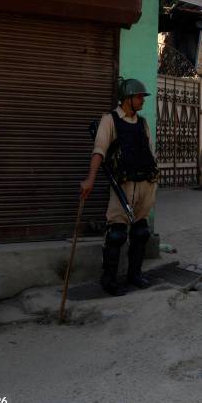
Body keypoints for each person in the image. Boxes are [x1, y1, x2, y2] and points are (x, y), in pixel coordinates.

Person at [80, 78, 158, 297]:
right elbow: (99, 151)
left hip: (145, 183)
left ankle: (135, 274)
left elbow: (149, 152)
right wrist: (90, 179)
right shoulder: (110, 120)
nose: (142, 100)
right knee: (116, 234)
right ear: (127, 98)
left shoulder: (142, 123)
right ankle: (110, 280)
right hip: (123, 186)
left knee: (141, 232)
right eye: (139, 96)